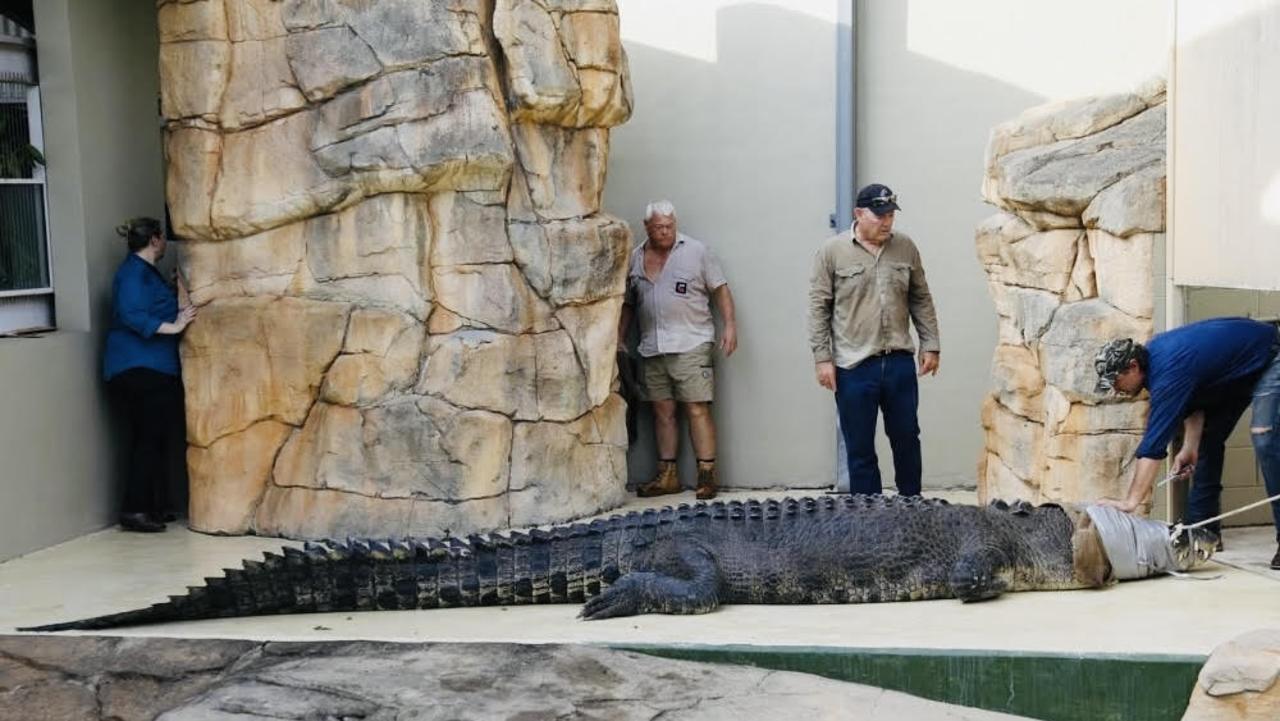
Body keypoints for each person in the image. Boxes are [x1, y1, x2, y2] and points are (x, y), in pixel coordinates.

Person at [1094, 317, 1280, 568]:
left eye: (1116, 383)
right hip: (1238, 371)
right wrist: (1189, 448)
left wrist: (1131, 502)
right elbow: (1195, 402)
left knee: (1264, 437)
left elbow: (1154, 444)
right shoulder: (1158, 363)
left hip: (1271, 354)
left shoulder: (1167, 371)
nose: (1116, 391)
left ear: (1133, 367)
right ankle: (1203, 534)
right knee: (1207, 443)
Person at [807, 183, 940, 496]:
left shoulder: (905, 248)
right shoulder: (832, 252)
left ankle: (912, 508)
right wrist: (822, 358)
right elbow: (818, 308)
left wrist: (930, 343)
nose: (887, 221)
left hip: (898, 362)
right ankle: (869, 519)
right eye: (880, 215)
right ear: (858, 214)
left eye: (891, 214)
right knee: (860, 446)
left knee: (907, 437)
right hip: (853, 366)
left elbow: (921, 298)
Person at [618, 200, 737, 500]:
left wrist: (730, 326)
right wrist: (619, 338)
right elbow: (629, 304)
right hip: (652, 346)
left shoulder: (696, 252)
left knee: (697, 408)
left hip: (691, 342)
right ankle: (667, 474)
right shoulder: (635, 257)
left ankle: (707, 474)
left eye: (669, 226)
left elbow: (720, 288)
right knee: (662, 411)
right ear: (647, 227)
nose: (665, 232)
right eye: (659, 227)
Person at [103, 217, 197, 533]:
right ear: (156, 240)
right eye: (163, 238)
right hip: (139, 367)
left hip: (153, 367)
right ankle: (135, 509)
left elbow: (152, 305)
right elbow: (131, 313)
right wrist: (175, 326)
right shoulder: (131, 274)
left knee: (155, 438)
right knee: (147, 438)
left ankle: (153, 506)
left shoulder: (145, 274)